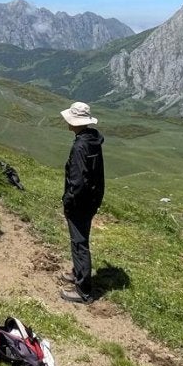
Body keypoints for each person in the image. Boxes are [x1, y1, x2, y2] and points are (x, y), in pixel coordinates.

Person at [58, 102, 104, 304]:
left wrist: (68, 202)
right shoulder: (93, 140)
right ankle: (78, 272)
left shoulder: (79, 146)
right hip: (92, 199)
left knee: (79, 243)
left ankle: (83, 290)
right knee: (81, 238)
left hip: (80, 202)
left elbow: (77, 181)